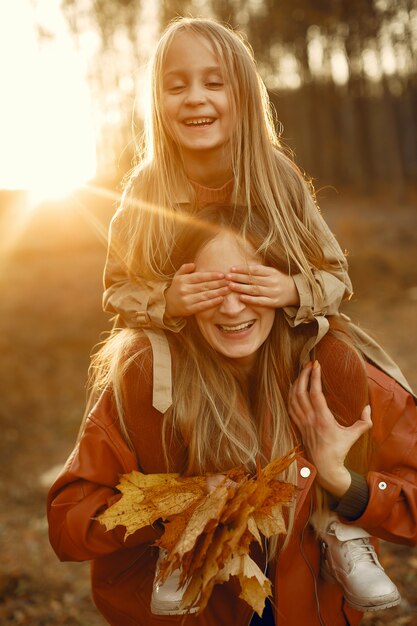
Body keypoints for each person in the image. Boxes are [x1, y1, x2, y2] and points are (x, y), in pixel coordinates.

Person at [48, 206, 417, 626]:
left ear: (281, 287)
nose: (231, 308)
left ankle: (341, 534)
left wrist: (342, 481)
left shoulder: (339, 376)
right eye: (210, 289)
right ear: (183, 293)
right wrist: (173, 507)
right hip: (196, 615)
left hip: (304, 608)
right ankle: (181, 555)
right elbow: (67, 524)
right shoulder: (151, 383)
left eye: (249, 285)